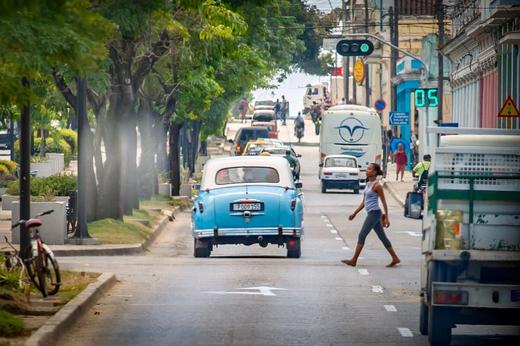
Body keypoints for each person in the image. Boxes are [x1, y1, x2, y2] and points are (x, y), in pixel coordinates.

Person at [341, 163, 401, 268]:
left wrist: (386, 218)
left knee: (362, 235)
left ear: (374, 172)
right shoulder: (368, 183)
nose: (366, 170)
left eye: (369, 169)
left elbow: (384, 202)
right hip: (372, 213)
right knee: (382, 237)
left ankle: (354, 260)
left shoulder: (377, 186)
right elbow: (364, 202)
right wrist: (355, 213)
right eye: (367, 169)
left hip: (374, 213)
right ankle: (395, 258)